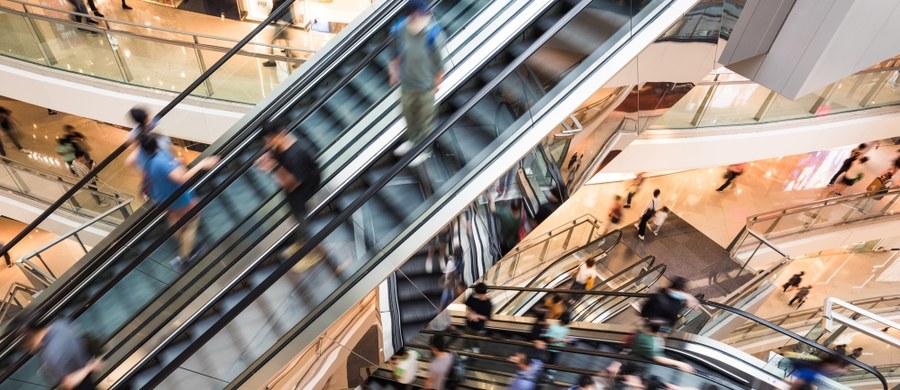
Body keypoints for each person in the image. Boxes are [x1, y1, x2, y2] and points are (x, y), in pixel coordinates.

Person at [132, 133, 218, 267]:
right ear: (156, 145)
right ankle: (185, 257)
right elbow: (182, 179)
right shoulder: (160, 160)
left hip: (163, 199)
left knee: (174, 221)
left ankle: (181, 245)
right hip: (180, 198)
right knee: (191, 224)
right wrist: (202, 164)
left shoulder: (143, 159)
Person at [389, 0, 446, 167]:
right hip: (407, 85)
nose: (427, 17)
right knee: (408, 115)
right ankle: (413, 141)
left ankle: (425, 151)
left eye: (427, 14)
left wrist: (435, 86)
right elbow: (396, 52)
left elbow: (439, 66)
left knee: (425, 121)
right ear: (411, 15)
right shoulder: (400, 30)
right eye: (422, 14)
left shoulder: (431, 35)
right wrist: (393, 71)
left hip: (425, 87)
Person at [255, 121, 321, 259]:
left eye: (270, 141)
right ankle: (302, 237)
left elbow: (292, 184)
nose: (268, 145)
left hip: (307, 182)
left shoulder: (296, 155)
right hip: (297, 180)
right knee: (294, 205)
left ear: (280, 135)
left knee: (298, 207)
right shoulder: (280, 146)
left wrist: (272, 168)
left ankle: (311, 248)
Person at [16, 318, 103, 390]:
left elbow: (69, 383)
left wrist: (88, 368)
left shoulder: (51, 353)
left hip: (81, 384)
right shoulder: (60, 324)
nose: (27, 348)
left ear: (30, 333)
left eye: (25, 344)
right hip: (86, 375)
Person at [630, 322, 695, 374]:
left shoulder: (647, 328)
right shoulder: (647, 340)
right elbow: (658, 358)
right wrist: (681, 364)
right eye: (663, 334)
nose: (665, 336)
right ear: (657, 332)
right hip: (642, 363)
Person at [262, 0, 295, 67]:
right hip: (285, 22)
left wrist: (270, 18)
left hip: (281, 23)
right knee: (286, 42)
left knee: (270, 42)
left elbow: (275, 9)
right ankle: (291, 54)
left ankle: (272, 61)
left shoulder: (278, 1)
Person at [464, 283, 492, 353]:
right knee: (467, 338)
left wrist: (477, 316)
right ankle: (467, 349)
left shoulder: (488, 304)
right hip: (469, 323)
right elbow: (468, 306)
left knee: (476, 339)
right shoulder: (472, 296)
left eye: (477, 294)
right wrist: (471, 312)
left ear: (482, 294)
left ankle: (475, 348)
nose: (475, 295)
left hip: (479, 327)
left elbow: (487, 317)